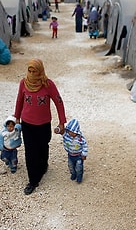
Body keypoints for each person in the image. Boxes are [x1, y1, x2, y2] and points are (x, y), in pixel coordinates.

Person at [15, 58, 66, 195]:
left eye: (34, 71)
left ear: (40, 71)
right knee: (30, 152)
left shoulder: (48, 84)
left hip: (43, 124)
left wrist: (62, 122)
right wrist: (17, 118)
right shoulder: (23, 84)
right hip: (27, 124)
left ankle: (43, 165)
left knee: (43, 146)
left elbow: (58, 102)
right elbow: (19, 100)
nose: (31, 74)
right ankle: (33, 180)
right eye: (29, 70)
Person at [61, 118, 88, 183]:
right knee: (71, 166)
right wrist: (58, 129)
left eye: (73, 132)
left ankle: (79, 177)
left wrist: (84, 154)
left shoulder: (80, 138)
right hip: (70, 155)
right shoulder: (66, 135)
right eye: (70, 132)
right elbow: (61, 131)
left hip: (78, 156)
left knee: (79, 167)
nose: (71, 134)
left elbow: (85, 146)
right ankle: (73, 174)